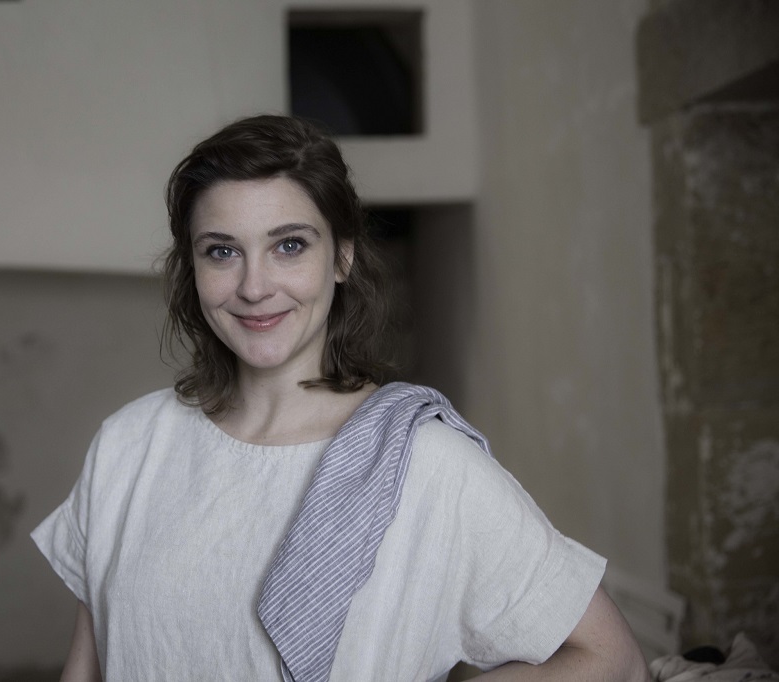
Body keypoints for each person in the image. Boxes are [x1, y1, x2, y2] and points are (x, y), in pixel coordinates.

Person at [32, 114, 650, 681]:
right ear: (192, 268)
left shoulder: (425, 464)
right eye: (222, 251)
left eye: (289, 245)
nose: (254, 286)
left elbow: (610, 657)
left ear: (342, 257)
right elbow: (87, 666)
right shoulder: (129, 444)